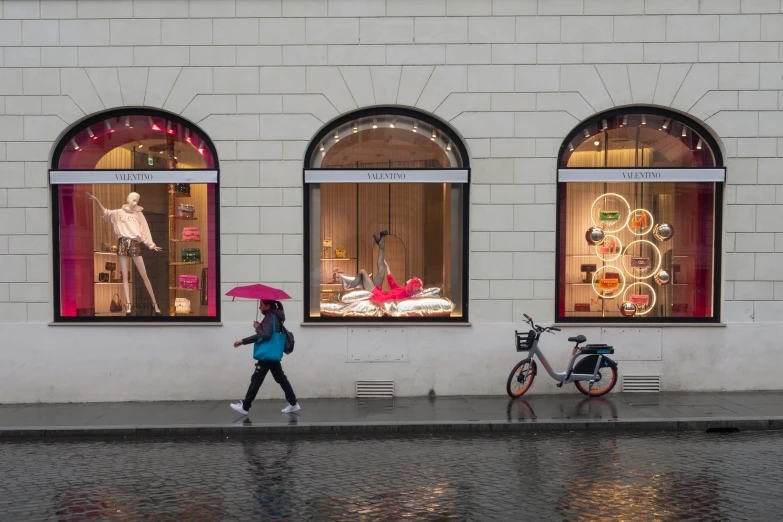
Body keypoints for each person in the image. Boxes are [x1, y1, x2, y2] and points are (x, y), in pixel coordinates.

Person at [230, 300, 300, 415]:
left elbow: (265, 335)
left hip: (267, 355)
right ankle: (293, 403)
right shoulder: (276, 315)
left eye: (261, 305)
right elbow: (267, 333)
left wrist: (257, 327)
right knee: (281, 379)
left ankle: (245, 406)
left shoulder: (270, 316)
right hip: (272, 354)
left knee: (256, 379)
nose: (259, 307)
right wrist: (245, 339)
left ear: (268, 306)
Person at [346, 231, 424, 303]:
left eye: (411, 280)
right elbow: (392, 282)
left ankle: (347, 291)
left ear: (411, 286)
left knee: (362, 272)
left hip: (378, 297)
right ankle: (381, 244)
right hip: (381, 294)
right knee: (382, 270)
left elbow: (420, 290)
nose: (410, 279)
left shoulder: (405, 294)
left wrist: (419, 287)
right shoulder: (402, 290)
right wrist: (387, 267)